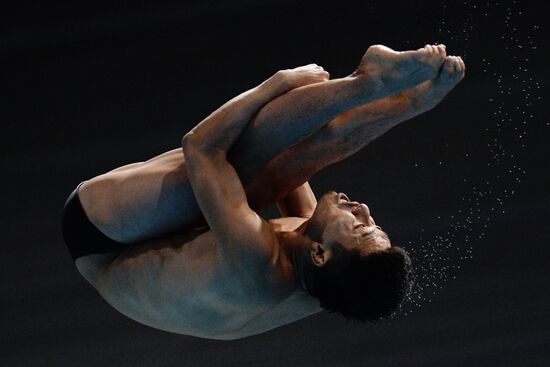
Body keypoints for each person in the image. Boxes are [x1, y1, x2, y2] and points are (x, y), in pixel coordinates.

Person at [62, 44, 465, 340]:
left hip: (100, 240)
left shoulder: (259, 263)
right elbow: (316, 150)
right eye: (373, 224)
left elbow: (200, 145)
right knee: (286, 170)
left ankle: (367, 81)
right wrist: (409, 106)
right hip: (180, 252)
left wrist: (275, 85)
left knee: (239, 160)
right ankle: (395, 94)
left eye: (360, 228)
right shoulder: (327, 277)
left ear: (320, 255)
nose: (363, 209)